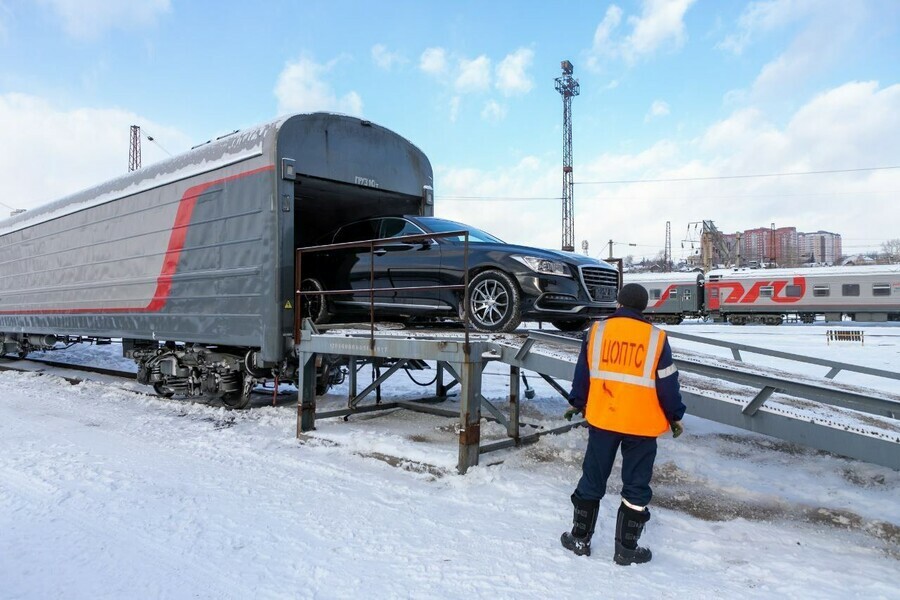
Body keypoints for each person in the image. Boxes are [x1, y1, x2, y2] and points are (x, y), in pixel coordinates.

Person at [560, 282, 686, 565]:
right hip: (642, 424)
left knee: (593, 477)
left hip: (604, 418)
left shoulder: (597, 331)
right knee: (637, 485)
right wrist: (675, 415)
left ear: (618, 303)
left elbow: (584, 372)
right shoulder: (656, 337)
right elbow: (667, 383)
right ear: (644, 308)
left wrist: (577, 401)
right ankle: (626, 549)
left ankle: (580, 538)